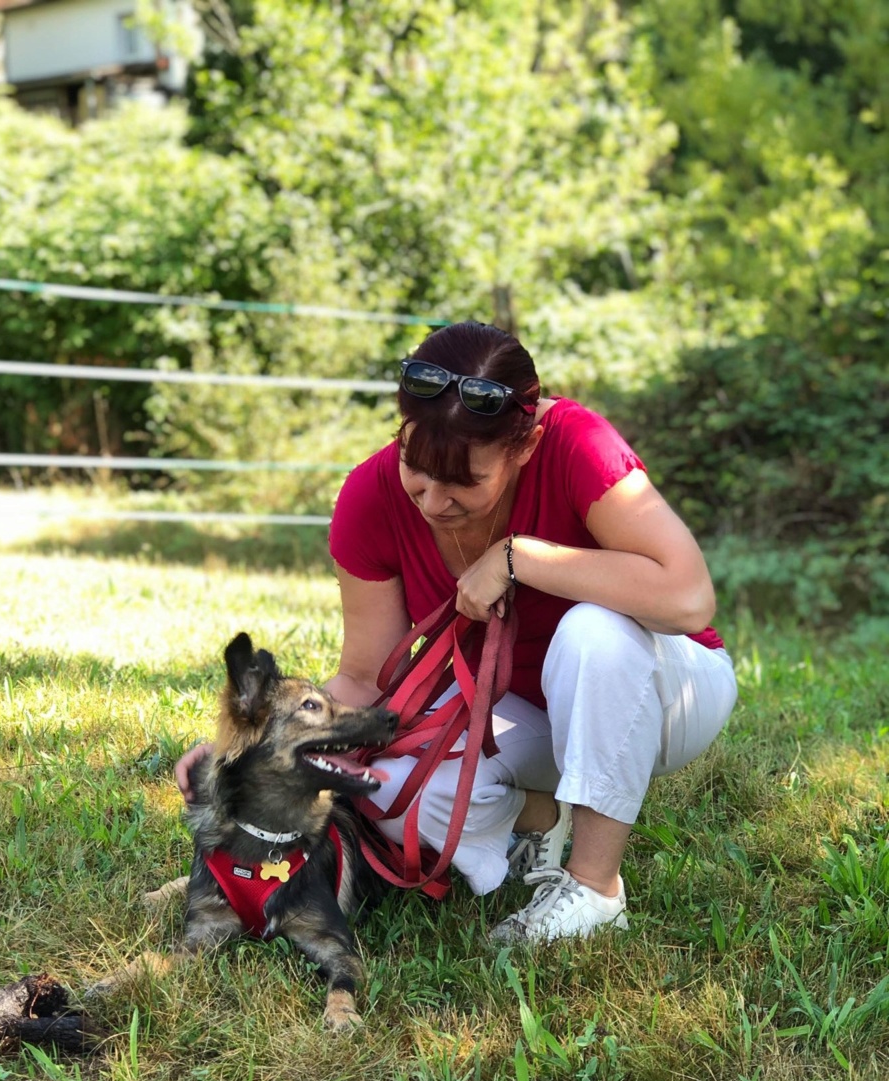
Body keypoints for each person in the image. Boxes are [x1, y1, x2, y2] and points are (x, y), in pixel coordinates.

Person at [178, 321, 738, 944]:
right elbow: (364, 678)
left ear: (523, 447)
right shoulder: (371, 494)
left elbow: (688, 597)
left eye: (463, 481)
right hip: (516, 710)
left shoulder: (578, 443)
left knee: (594, 632)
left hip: (664, 695)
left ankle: (593, 888)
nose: (433, 501)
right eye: (417, 467)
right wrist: (245, 753)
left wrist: (518, 557)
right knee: (386, 790)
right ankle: (537, 818)